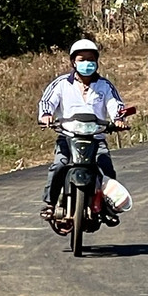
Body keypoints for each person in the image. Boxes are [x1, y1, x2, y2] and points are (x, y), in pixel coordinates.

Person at [38, 38, 126, 223]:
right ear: (73, 62)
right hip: (68, 138)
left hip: (96, 138)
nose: (87, 63)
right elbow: (47, 102)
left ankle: (106, 206)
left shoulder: (105, 86)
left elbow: (115, 105)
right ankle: (50, 204)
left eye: (91, 59)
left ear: (97, 61)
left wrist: (118, 120)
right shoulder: (61, 84)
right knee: (59, 166)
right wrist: (46, 115)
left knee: (107, 169)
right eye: (82, 59)